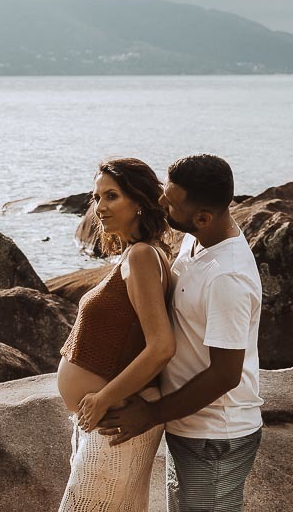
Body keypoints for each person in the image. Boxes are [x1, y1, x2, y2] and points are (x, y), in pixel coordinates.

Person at [98, 154, 264, 512]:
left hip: (215, 437)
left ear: (203, 217)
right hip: (188, 427)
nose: (160, 202)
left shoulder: (228, 277)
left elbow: (226, 374)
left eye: (171, 203)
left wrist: (151, 413)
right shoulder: (197, 239)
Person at [57, 157, 175, 511]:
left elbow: (161, 347)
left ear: (139, 202)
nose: (100, 207)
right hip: (103, 422)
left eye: (112, 196)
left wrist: (102, 399)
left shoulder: (142, 256)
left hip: (113, 421)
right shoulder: (137, 255)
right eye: (96, 198)